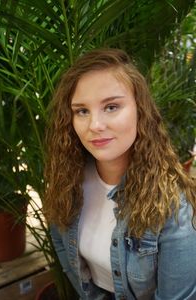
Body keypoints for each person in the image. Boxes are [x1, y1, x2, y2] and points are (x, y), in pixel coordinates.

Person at [44, 48, 196, 300]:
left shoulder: (174, 206)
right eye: (82, 111)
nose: (95, 125)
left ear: (140, 111)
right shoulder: (67, 181)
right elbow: (64, 248)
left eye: (111, 106)